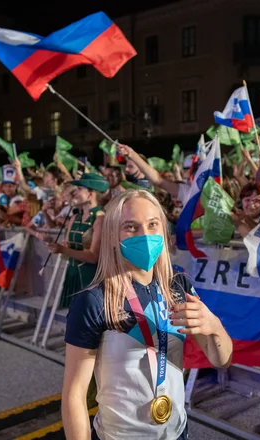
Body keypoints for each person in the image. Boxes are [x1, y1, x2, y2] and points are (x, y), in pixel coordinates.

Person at [61, 189, 232, 440]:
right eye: (130, 227)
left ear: (163, 229)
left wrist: (214, 327)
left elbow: (221, 360)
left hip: (176, 432)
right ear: (112, 236)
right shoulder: (94, 301)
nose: (145, 235)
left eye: (153, 224)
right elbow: (74, 395)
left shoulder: (179, 288)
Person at [43, 173, 108, 309]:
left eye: (79, 189)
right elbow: (68, 249)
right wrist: (57, 246)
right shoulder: (74, 218)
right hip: (72, 274)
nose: (74, 193)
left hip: (90, 278)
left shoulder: (100, 219)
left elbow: (93, 257)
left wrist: (63, 249)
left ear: (91, 193)